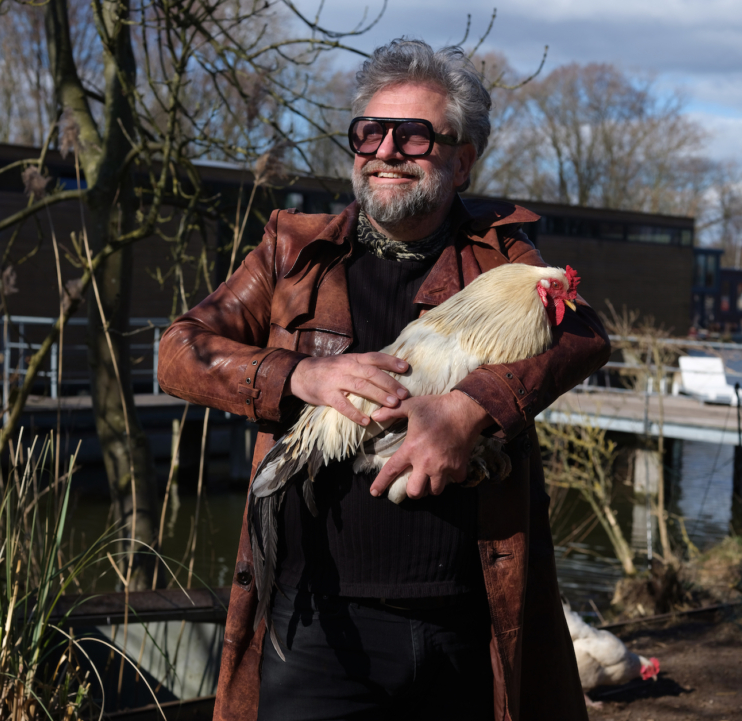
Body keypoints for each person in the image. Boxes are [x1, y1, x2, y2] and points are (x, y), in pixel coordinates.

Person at [157, 39, 611, 721]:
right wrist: (299, 372)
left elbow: (584, 334)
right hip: (319, 628)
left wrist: (467, 409)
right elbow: (178, 351)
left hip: (465, 621)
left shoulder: (498, 252)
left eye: (415, 135)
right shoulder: (293, 250)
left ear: (462, 160)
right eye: (370, 131)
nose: (386, 151)